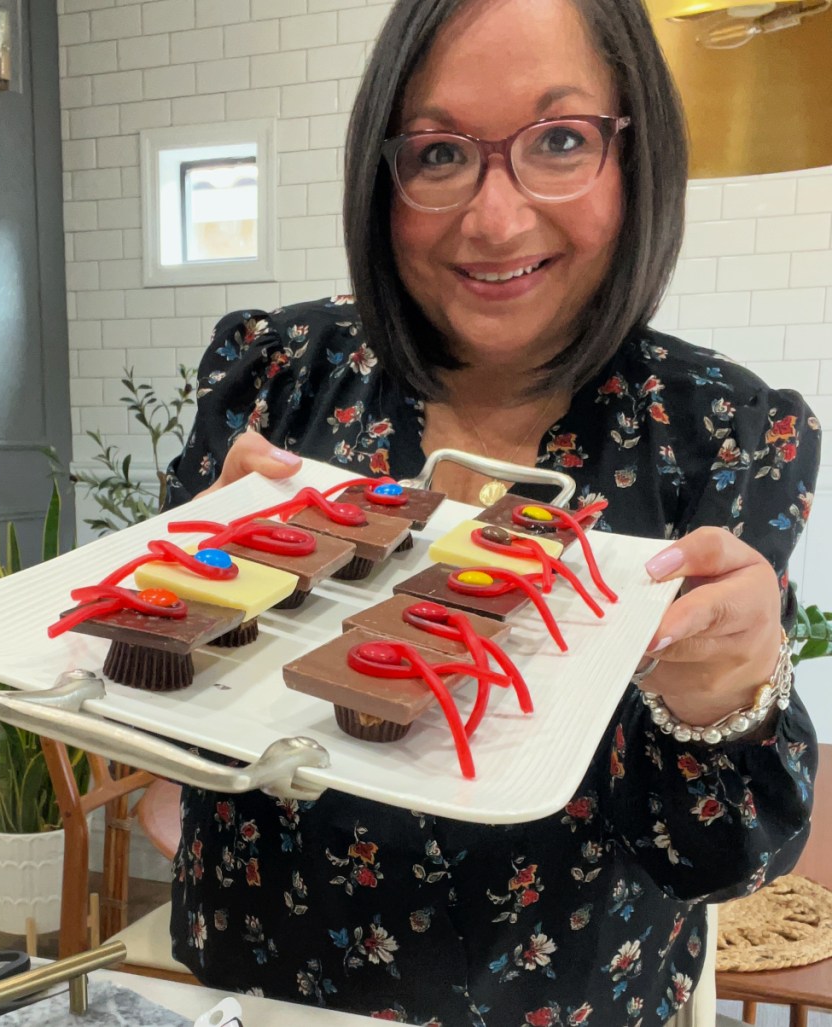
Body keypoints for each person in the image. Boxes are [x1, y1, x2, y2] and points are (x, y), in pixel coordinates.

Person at [161, 0, 821, 1023]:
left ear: (633, 151)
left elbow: (729, 858)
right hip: (268, 994)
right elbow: (169, 721)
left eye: (559, 141)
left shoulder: (718, 436)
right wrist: (181, 583)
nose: (495, 220)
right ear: (383, 176)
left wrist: (724, 696)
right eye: (437, 154)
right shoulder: (276, 381)